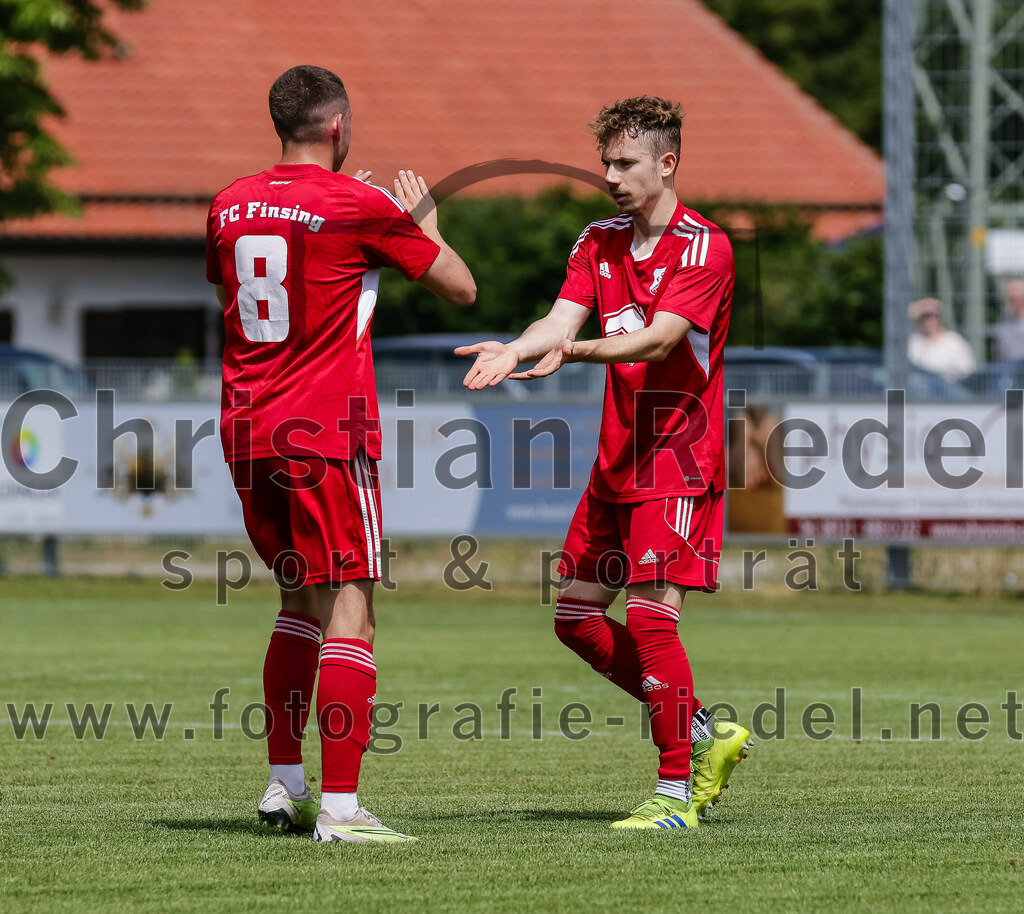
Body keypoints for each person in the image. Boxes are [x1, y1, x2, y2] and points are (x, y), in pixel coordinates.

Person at [457, 96, 750, 830]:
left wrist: (573, 351)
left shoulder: (705, 247)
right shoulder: (598, 240)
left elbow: (658, 339)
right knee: (576, 618)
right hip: (617, 460)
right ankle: (709, 728)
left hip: (679, 460)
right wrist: (519, 348)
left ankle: (675, 795)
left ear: (667, 163)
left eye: (625, 163)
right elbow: (560, 320)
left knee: (653, 620)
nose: (612, 177)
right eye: (606, 164)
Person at [205, 65, 475, 844]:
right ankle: (344, 809)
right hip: (324, 431)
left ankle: (283, 785)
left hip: (248, 430)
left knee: (297, 604)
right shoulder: (360, 205)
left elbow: (262, 280)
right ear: (339, 128)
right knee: (352, 606)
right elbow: (462, 289)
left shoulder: (227, 204)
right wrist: (418, 221)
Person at [907, 298, 975, 380]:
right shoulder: (914, 341)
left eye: (934, 316)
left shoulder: (954, 341)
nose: (930, 320)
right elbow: (897, 318)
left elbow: (968, 372)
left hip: (950, 388)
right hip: (921, 389)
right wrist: (919, 306)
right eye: (926, 316)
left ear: (940, 317)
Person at [995, 279, 1024, 362]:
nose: (1012, 302)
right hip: (1009, 369)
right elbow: (1000, 353)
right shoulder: (1004, 323)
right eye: (1010, 298)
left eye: (1015, 298)